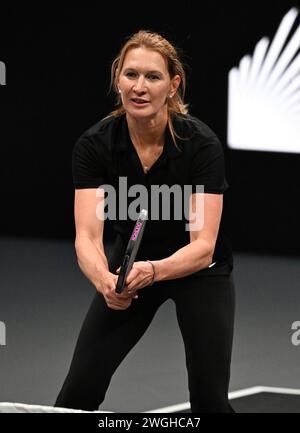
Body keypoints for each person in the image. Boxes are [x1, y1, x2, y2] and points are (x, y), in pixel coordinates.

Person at [54, 30, 235, 413]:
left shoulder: (201, 145)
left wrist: (153, 271)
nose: (139, 87)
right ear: (117, 78)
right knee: (76, 395)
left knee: (209, 401)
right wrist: (105, 280)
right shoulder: (95, 145)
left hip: (197, 272)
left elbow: (203, 247)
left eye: (153, 77)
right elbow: (86, 237)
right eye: (130, 74)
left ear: (173, 85)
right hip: (128, 266)